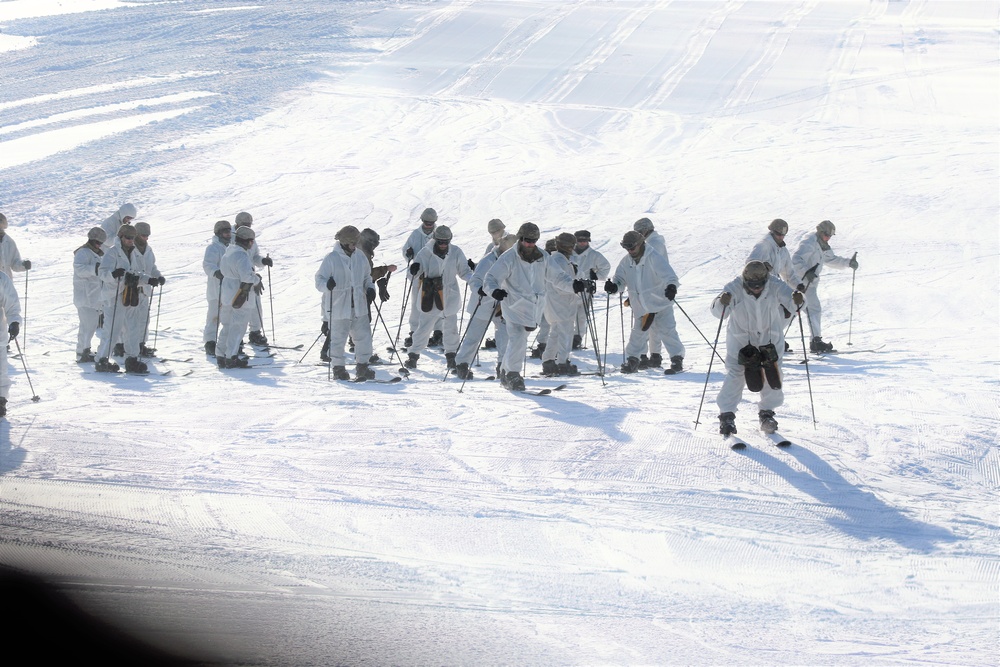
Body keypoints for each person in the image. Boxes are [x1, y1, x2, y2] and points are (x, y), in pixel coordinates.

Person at [710, 261, 804, 437]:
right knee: (736, 375)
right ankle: (726, 416)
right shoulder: (734, 287)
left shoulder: (775, 284)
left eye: (759, 285)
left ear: (765, 279)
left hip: (770, 340)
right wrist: (721, 303)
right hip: (740, 341)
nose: (756, 289)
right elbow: (718, 312)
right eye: (752, 286)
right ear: (745, 280)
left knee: (773, 375)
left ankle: (767, 414)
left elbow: (794, 303)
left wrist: (799, 299)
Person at [604, 230, 685, 375]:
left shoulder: (653, 257)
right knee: (637, 335)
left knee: (667, 331)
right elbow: (620, 280)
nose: (629, 250)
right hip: (641, 307)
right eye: (626, 248)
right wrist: (614, 286)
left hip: (660, 304)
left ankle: (676, 359)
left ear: (640, 244)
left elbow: (670, 276)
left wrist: (671, 287)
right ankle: (632, 360)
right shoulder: (625, 262)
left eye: (632, 247)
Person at [484, 222, 547, 391]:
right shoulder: (509, 257)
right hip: (513, 305)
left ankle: (505, 371)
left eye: (533, 241)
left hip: (533, 308)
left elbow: (558, 276)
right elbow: (490, 278)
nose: (530, 244)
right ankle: (513, 375)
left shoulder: (543, 257)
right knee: (518, 337)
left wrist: (573, 285)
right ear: (520, 238)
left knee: (518, 340)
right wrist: (495, 291)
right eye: (527, 240)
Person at [404, 225, 472, 369]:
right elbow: (414, 274)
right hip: (430, 294)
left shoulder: (456, 252)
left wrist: (475, 282)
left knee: (451, 327)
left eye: (445, 242)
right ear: (435, 239)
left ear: (449, 240)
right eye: (440, 241)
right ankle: (413, 356)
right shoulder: (425, 253)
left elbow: (464, 272)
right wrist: (414, 270)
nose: (442, 245)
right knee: (424, 327)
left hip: (450, 295)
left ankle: (451, 356)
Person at [314, 226, 376, 381]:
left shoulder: (360, 257)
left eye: (356, 242)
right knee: (338, 339)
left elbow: (367, 277)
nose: (354, 245)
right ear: (343, 242)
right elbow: (319, 280)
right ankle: (338, 368)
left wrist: (370, 288)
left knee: (364, 338)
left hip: (359, 306)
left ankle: (363, 366)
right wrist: (327, 285)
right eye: (351, 243)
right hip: (339, 307)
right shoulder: (332, 258)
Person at [454, 233, 517, 380]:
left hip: (503, 304)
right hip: (483, 302)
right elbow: (475, 279)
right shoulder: (488, 260)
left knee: (505, 336)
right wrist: (479, 289)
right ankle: (462, 364)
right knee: (474, 336)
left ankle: (503, 367)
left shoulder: (514, 260)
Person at [791, 220, 858, 353]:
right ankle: (815, 342)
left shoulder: (822, 245)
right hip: (800, 282)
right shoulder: (809, 242)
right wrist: (806, 272)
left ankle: (812, 341)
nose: (828, 238)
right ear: (821, 232)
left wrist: (848, 263)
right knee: (810, 309)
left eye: (830, 236)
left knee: (795, 310)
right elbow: (796, 259)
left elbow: (831, 260)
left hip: (809, 283)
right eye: (827, 235)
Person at [95, 225, 148, 374]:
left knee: (133, 328)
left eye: (133, 238)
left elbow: (137, 272)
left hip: (130, 295)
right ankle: (102, 359)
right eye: (128, 238)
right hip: (114, 296)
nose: (131, 241)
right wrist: (113, 274)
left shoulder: (135, 253)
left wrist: (149, 280)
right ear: (121, 237)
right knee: (113, 329)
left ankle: (132, 359)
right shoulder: (112, 252)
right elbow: (102, 272)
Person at [541, 233, 592, 376]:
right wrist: (577, 286)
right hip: (560, 303)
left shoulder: (563, 260)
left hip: (559, 303)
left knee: (556, 333)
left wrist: (584, 283)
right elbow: (561, 283)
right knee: (565, 333)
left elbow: (575, 277)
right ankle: (562, 363)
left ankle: (548, 361)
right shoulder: (558, 261)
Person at [217, 226, 262, 369]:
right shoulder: (242, 256)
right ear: (247, 241)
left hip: (227, 293)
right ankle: (231, 357)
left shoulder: (228, 252)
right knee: (238, 328)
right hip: (240, 295)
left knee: (227, 326)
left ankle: (220, 354)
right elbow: (247, 277)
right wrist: (257, 279)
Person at [633, 217, 668, 367]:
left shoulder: (653, 244)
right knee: (651, 323)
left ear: (646, 230)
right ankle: (653, 355)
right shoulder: (652, 242)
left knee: (647, 322)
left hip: (652, 289)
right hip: (654, 288)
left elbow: (647, 266)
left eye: (639, 232)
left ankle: (647, 356)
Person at [401, 208, 439, 348]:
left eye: (431, 223)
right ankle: (414, 331)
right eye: (426, 222)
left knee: (438, 303)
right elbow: (405, 250)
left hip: (435, 275)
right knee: (416, 304)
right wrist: (408, 253)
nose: (428, 225)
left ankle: (438, 332)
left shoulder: (438, 234)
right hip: (418, 276)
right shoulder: (415, 235)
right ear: (422, 221)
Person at [234, 211, 271, 347]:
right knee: (238, 308)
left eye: (249, 224)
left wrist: (263, 260)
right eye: (245, 224)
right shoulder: (233, 239)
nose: (247, 227)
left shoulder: (250, 237)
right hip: (238, 280)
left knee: (256, 306)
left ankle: (255, 332)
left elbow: (254, 256)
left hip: (251, 277)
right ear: (237, 224)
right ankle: (236, 336)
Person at [572, 230, 610, 350]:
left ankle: (577, 337)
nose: (582, 243)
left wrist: (595, 276)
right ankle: (564, 337)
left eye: (585, 241)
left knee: (582, 316)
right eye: (580, 240)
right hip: (568, 288)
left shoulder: (594, 255)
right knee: (565, 315)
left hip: (585, 289)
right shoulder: (568, 253)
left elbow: (605, 267)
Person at [131, 222, 164, 357]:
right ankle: (124, 346)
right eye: (144, 235)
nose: (146, 238)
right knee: (130, 321)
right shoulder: (130, 249)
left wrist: (158, 276)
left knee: (144, 319)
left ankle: (141, 344)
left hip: (144, 291)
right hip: (132, 290)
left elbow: (152, 267)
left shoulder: (148, 250)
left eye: (148, 236)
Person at [73, 227, 106, 363]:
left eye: (100, 243)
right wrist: (94, 269)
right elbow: (79, 269)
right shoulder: (83, 253)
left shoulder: (99, 254)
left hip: (94, 297)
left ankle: (85, 349)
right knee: (87, 325)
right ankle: (82, 351)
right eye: (96, 242)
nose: (98, 245)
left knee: (91, 325)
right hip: (85, 296)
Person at [202, 220, 231, 356]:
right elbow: (208, 264)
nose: (228, 234)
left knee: (228, 316)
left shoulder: (232, 247)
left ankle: (227, 343)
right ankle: (210, 342)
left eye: (229, 231)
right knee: (214, 316)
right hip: (216, 288)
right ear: (218, 233)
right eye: (225, 231)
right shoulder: (213, 248)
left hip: (229, 289)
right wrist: (216, 272)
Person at [0, 270, 21, 417]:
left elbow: (12, 304)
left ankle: (0, 399)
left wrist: (14, 321)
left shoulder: (1, 278)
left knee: (0, 371)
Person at [0, 213, 31, 280]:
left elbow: (15, 264)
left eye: (1, 227)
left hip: (6, 285)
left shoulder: (9, 242)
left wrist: (23, 265)